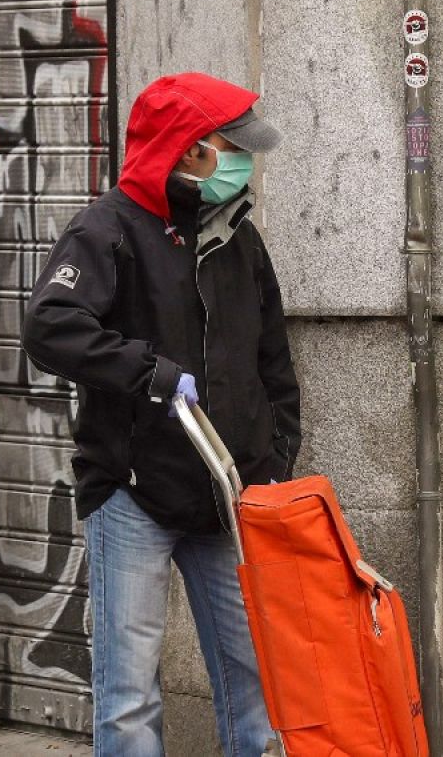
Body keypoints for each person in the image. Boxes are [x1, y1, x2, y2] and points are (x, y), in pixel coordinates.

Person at [20, 72, 302, 757]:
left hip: (230, 495)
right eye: (230, 147)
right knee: (129, 697)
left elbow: (273, 360)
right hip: (132, 490)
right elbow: (50, 325)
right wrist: (148, 372)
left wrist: (275, 456)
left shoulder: (240, 236)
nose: (243, 161)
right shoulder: (106, 230)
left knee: (255, 683)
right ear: (188, 151)